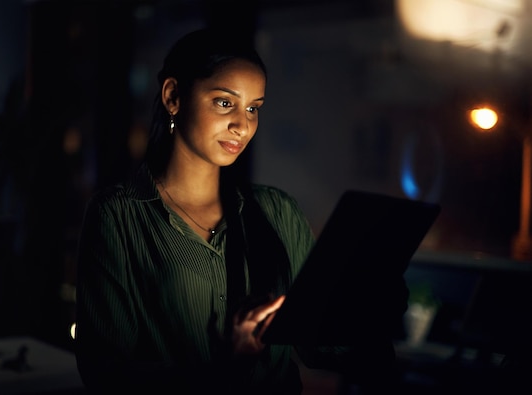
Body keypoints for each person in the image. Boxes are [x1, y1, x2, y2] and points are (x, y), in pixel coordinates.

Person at [74, 27, 407, 395]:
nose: (242, 124)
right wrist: (227, 363)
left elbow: (322, 346)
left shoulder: (277, 212)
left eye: (253, 108)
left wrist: (374, 307)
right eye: (224, 102)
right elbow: (105, 374)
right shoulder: (118, 216)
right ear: (173, 96)